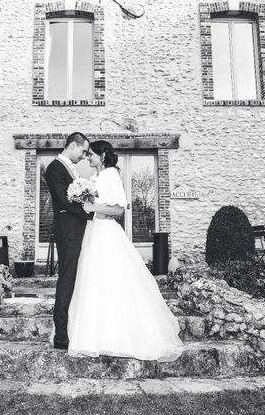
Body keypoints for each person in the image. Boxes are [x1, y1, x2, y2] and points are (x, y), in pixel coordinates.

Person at [67, 140, 184, 361]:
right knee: (94, 281)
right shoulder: (98, 177)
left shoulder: (110, 174)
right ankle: (94, 335)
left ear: (102, 156)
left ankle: (116, 336)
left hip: (106, 233)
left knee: (111, 280)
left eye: (91, 154)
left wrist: (91, 207)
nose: (87, 157)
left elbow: (118, 209)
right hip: (94, 231)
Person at [45, 132, 94, 350]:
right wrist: (89, 213)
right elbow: (62, 201)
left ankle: (72, 330)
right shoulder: (55, 168)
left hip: (75, 232)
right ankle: (61, 337)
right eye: (83, 151)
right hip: (68, 233)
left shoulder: (69, 168)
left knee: (74, 280)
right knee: (66, 281)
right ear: (72, 145)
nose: (84, 156)